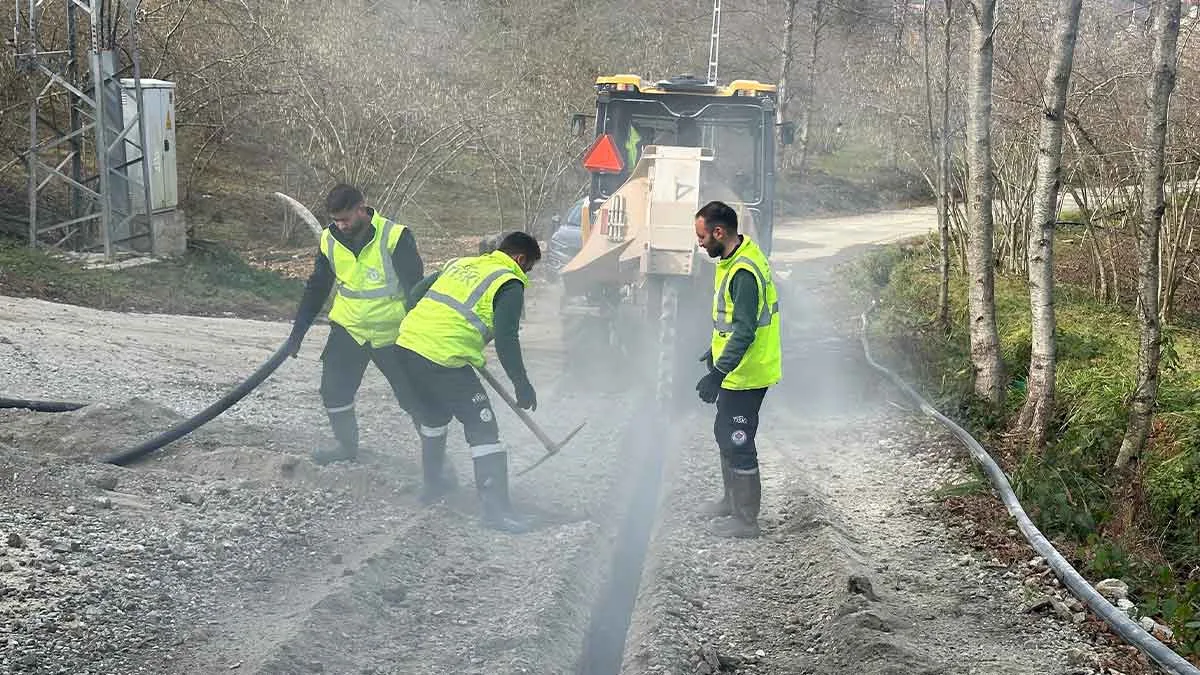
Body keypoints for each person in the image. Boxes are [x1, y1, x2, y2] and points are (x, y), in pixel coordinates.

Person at [394, 231, 542, 533]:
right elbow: (506, 338)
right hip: (444, 358)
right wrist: (521, 383)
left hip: (407, 348)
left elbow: (414, 296)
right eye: (529, 268)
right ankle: (496, 512)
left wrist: (429, 328)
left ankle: (433, 487)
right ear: (521, 259)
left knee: (434, 418)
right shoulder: (508, 282)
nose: (527, 274)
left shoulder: (460, 264)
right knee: (483, 427)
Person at [286, 183, 426, 466]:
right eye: (336, 220)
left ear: (362, 208)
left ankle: (435, 461)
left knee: (414, 397)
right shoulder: (329, 239)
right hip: (349, 329)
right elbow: (318, 287)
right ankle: (346, 447)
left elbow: (416, 289)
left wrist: (424, 334)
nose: (341, 226)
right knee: (333, 390)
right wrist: (298, 332)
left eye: (346, 219)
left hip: (393, 332)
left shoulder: (395, 237)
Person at [693, 200, 782, 539]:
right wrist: (715, 353)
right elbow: (731, 325)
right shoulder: (734, 259)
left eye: (702, 236)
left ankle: (746, 520)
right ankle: (730, 502)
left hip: (748, 374)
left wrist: (718, 373)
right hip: (737, 369)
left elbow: (745, 330)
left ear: (719, 232)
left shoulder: (743, 272)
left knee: (738, 438)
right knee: (723, 431)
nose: (700, 243)